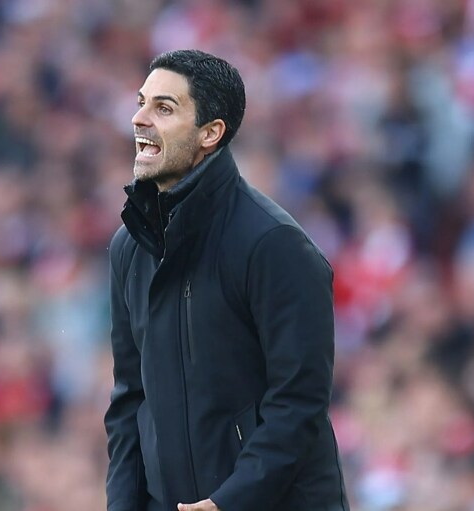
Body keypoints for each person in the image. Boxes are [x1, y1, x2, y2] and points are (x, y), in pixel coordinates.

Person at [104, 49, 350, 511]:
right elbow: (129, 402)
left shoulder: (275, 245)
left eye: (164, 108)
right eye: (141, 102)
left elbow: (299, 403)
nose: (139, 119)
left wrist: (228, 502)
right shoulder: (129, 247)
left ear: (210, 133)